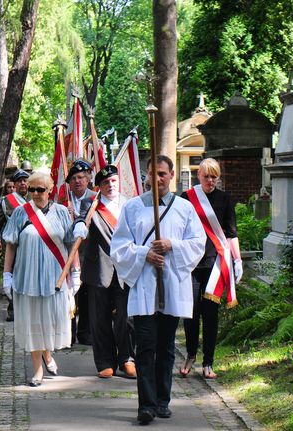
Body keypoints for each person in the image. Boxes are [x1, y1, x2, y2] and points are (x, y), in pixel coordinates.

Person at [110, 155, 206, 425]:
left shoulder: (184, 209)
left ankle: (163, 400)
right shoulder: (132, 208)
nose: (158, 178)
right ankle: (146, 405)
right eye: (153, 173)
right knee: (145, 347)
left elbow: (198, 243)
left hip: (171, 288)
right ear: (147, 176)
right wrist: (144, 254)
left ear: (171, 175)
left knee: (166, 347)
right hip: (144, 288)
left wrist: (172, 244)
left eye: (162, 174)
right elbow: (119, 247)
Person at [1, 172, 75, 387]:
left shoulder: (61, 213)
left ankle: (48, 354)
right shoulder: (20, 213)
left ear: (50, 190)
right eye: (32, 189)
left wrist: (75, 273)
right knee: (34, 323)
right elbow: (11, 245)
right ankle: (37, 369)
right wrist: (7, 274)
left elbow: (72, 245)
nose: (35, 193)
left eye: (40, 189)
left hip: (55, 277)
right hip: (28, 277)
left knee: (49, 322)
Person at [180, 158, 242, 380]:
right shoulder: (187, 198)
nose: (210, 180)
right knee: (191, 313)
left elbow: (231, 233)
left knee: (210, 315)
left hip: (215, 265)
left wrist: (238, 260)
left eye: (214, 176)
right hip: (191, 264)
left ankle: (208, 362)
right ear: (199, 176)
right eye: (206, 176)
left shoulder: (225, 199)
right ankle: (190, 354)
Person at [75, 165, 136, 379]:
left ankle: (127, 358)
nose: (110, 185)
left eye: (113, 181)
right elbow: (81, 218)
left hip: (125, 270)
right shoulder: (91, 204)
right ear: (99, 186)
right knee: (99, 319)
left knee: (126, 318)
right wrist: (80, 224)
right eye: (105, 183)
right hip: (99, 267)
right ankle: (105, 361)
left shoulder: (131, 205)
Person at [0, 169, 29, 321]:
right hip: (13, 245)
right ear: (15, 185)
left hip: (31, 245)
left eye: (25, 180)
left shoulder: (36, 198)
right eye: (19, 181)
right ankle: (13, 310)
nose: (23, 183)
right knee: (15, 276)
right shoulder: (7, 201)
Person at [66, 160, 96, 345]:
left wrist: (76, 217)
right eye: (74, 178)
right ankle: (69, 334)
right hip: (69, 256)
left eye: (81, 178)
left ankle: (86, 333)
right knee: (70, 296)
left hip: (90, 255)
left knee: (87, 297)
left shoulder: (96, 198)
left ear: (88, 179)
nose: (77, 181)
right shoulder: (63, 199)